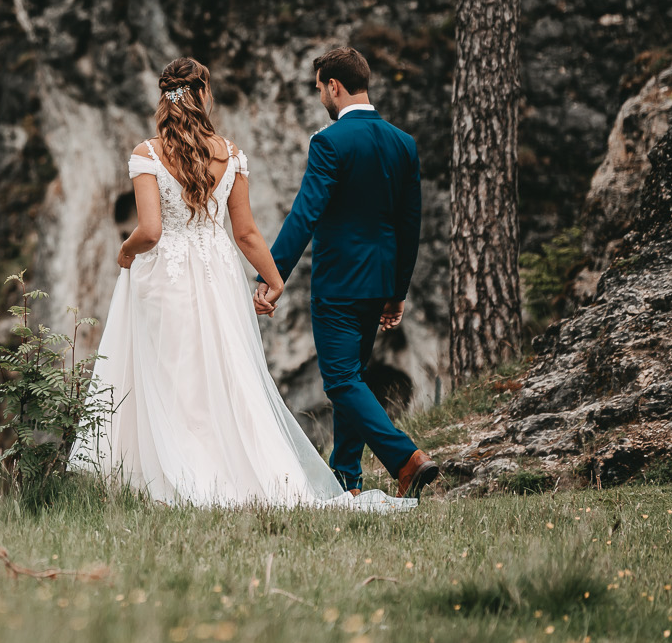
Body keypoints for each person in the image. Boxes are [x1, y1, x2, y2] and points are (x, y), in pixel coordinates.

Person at [73, 57, 413, 511]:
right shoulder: (230, 155)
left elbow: (150, 231)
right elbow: (247, 234)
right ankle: (236, 470)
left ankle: (175, 473)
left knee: (169, 373)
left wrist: (125, 251)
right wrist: (272, 281)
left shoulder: (147, 154)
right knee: (226, 372)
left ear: (166, 97)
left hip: (165, 276)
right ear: (203, 95)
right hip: (217, 276)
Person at [264, 46, 439, 498]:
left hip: (339, 283)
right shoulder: (403, 143)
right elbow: (409, 225)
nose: (320, 95)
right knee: (353, 379)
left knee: (341, 381)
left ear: (334, 86)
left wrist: (272, 273)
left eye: (320, 87)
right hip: (379, 282)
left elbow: (306, 213)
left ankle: (406, 459)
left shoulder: (330, 142)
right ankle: (347, 481)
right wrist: (397, 292)